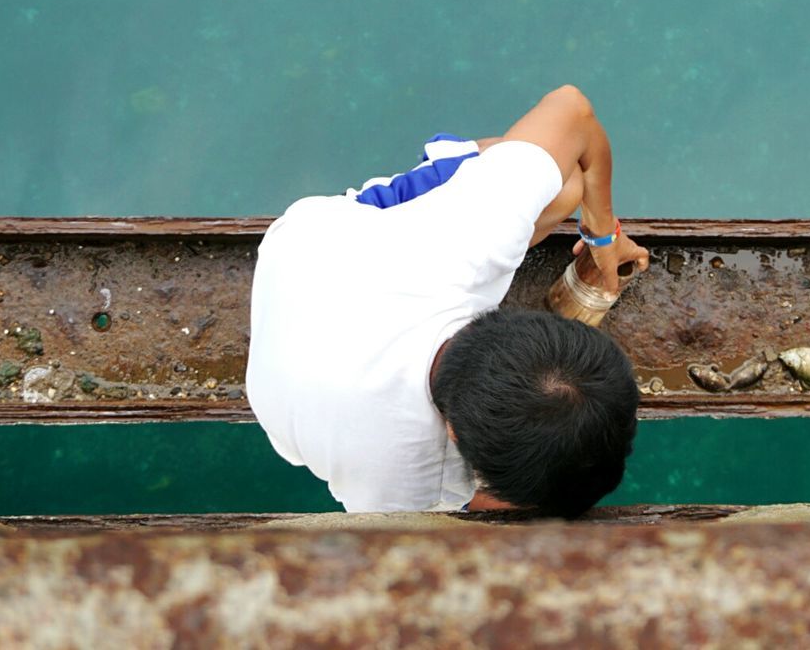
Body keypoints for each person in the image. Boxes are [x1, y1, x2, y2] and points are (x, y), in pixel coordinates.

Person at [246, 85, 650, 518]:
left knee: (566, 186)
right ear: (453, 433)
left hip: (312, 242)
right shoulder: (408, 481)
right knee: (565, 186)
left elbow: (572, 109)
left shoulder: (468, 243)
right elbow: (481, 515)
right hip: (293, 358)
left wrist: (603, 234)